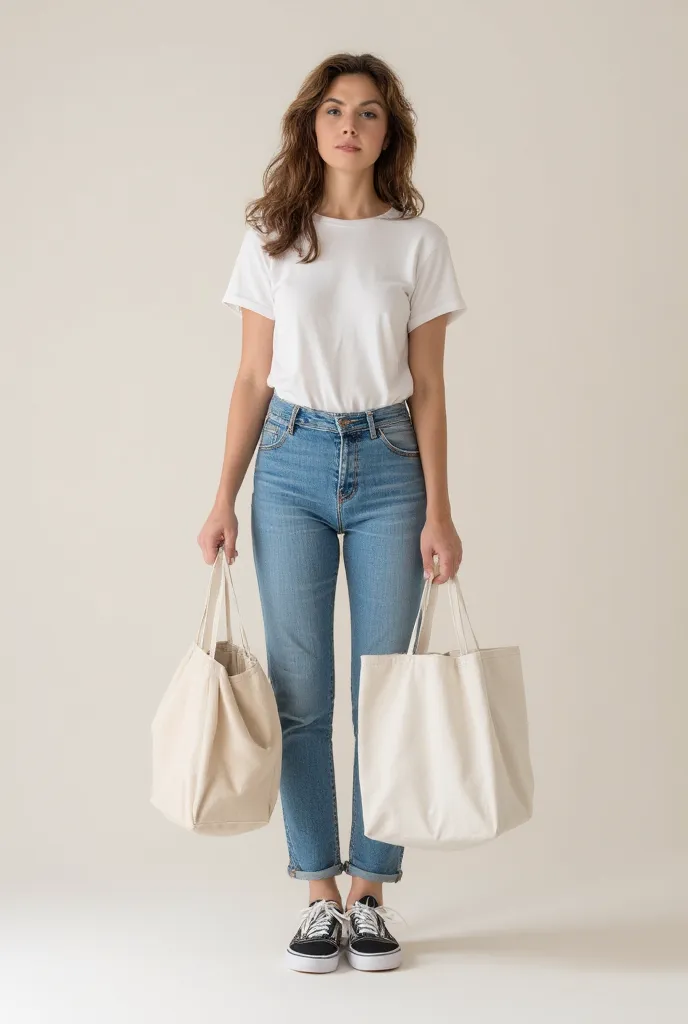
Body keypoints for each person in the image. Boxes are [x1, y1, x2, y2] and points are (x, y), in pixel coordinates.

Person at [197, 52, 466, 974]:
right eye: (334, 110)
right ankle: (318, 891)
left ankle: (373, 893)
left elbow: (428, 387)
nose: (350, 125)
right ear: (310, 126)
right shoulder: (274, 239)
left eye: (370, 113)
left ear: (390, 134)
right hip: (290, 465)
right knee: (303, 697)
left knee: (384, 691)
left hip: (392, 466)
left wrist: (441, 509)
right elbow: (248, 378)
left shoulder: (417, 244)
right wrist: (223, 496)